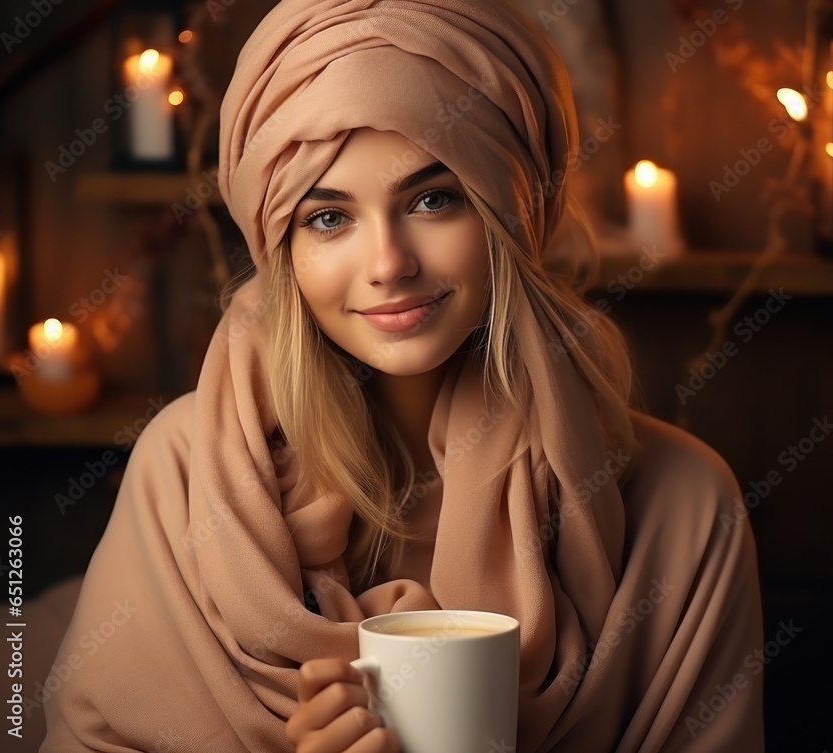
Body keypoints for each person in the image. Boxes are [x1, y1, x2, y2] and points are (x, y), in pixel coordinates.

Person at [41, 1, 764, 751]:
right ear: (280, 246)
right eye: (328, 218)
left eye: (432, 198)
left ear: (513, 211)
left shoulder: (683, 506)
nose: (389, 264)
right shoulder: (187, 473)